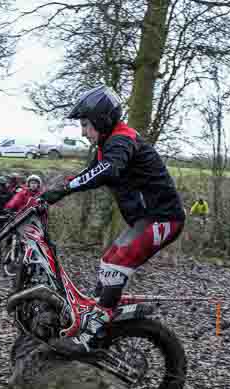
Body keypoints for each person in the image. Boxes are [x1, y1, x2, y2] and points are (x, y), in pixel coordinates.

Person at [39, 85, 186, 354]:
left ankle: (92, 338)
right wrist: (58, 188)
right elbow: (92, 171)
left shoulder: (121, 141)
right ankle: (98, 318)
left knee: (116, 264)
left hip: (164, 219)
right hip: (146, 219)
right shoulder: (109, 142)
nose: (83, 132)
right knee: (107, 262)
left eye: (86, 125)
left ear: (102, 119)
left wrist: (66, 189)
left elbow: (106, 171)